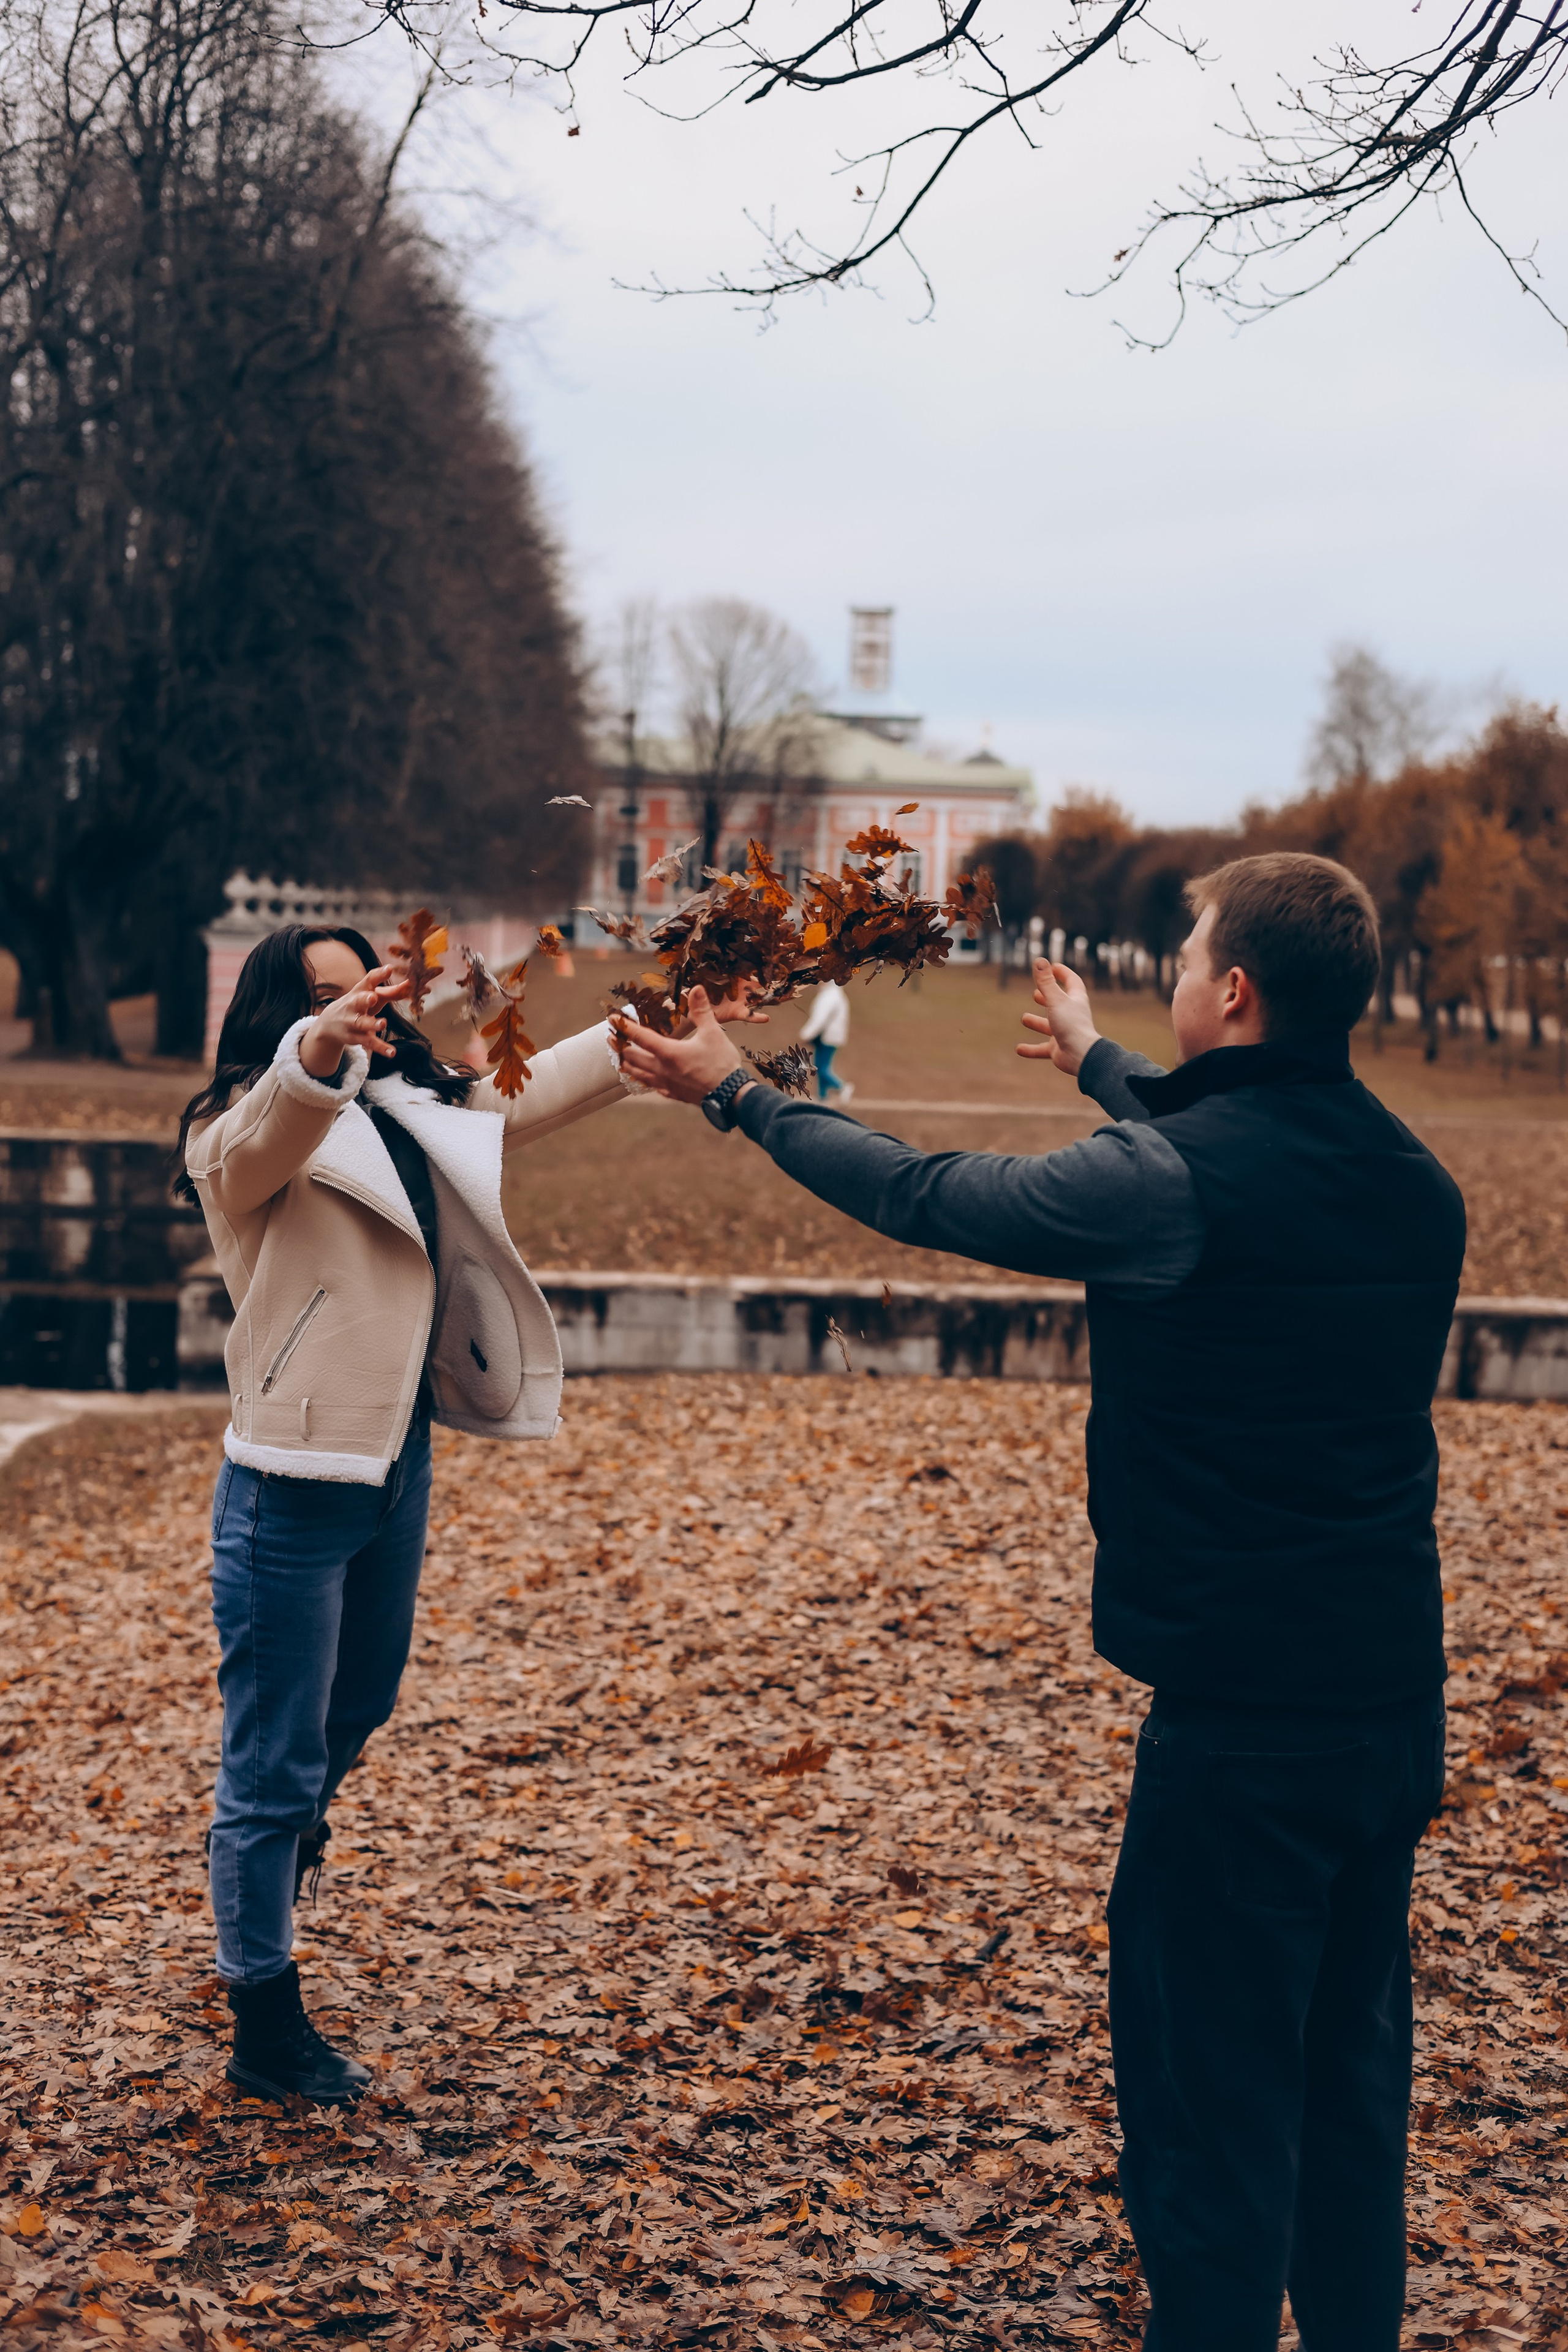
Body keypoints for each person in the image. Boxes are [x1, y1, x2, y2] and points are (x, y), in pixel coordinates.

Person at [616, 853, 1466, 2352]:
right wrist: (1091, 1057)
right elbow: (1228, 1137)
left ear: (1235, 992)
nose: (1174, 972)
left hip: (1237, 1741)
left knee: (1208, 2131)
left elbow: (933, 1194)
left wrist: (738, 1092)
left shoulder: (1171, 1184)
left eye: (1187, 953)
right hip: (1387, 1711)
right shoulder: (1414, 1182)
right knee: (1345, 2107)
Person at [175, 925, 752, 2106]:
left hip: (394, 1464)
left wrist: (670, 1012)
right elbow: (261, 1134)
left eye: (368, 995)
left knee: (365, 1701)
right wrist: (310, 1053)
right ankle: (263, 2016)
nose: (358, 1015)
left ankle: (271, 1856)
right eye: (326, 1000)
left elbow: (534, 1091)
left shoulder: (413, 1107)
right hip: (291, 1479)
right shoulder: (243, 1128)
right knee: (273, 1761)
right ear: (281, 1015)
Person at [798, 976, 853, 1104]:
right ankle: (822, 1097)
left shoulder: (830, 996)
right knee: (820, 1067)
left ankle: (842, 1087)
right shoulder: (834, 995)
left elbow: (820, 1019)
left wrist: (806, 1034)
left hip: (828, 1037)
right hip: (830, 1037)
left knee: (822, 1069)